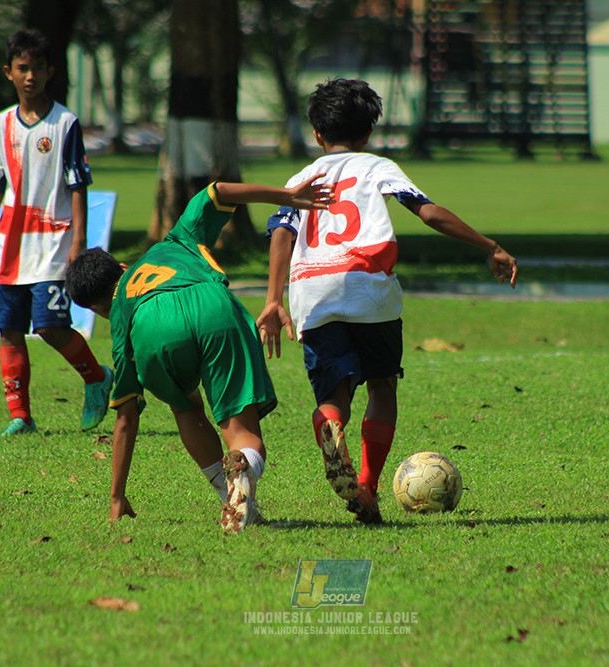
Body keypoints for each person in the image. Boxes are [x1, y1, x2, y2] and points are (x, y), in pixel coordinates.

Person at [257, 78, 518, 525]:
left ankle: (329, 422)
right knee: (381, 385)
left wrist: (272, 299)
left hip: (313, 292)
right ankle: (367, 485)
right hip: (370, 289)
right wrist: (489, 245)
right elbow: (428, 211)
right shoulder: (378, 167)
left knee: (334, 394)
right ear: (368, 133)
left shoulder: (300, 178)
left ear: (317, 134)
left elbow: (283, 229)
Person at [64, 179, 332, 535]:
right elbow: (217, 191)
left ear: (97, 307)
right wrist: (285, 196)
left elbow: (126, 418)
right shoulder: (176, 241)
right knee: (242, 432)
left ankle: (231, 492)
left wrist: (117, 497)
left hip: (150, 325)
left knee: (186, 408)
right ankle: (244, 472)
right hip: (213, 308)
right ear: (123, 265)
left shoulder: (119, 313)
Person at [0, 29, 113, 437]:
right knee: (9, 330)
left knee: (49, 327)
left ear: (51, 71)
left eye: (37, 68)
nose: (30, 76)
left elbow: (78, 185)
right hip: (10, 246)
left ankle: (97, 377)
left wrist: (78, 244)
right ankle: (20, 416)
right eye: (22, 68)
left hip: (53, 242)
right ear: (8, 72)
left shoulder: (65, 123)